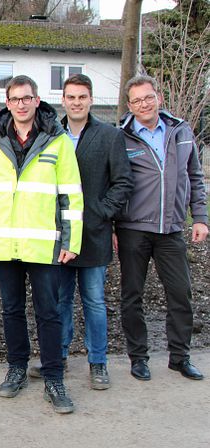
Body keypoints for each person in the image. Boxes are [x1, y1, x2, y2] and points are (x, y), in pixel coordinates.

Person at [0, 75, 83, 414]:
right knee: (12, 311)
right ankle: (16, 369)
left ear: (36, 101)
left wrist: (71, 240)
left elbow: (71, 197)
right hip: (4, 244)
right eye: (15, 98)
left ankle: (54, 379)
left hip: (43, 246)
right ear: (7, 103)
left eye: (26, 98)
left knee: (49, 313)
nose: (21, 104)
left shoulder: (57, 141)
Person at [28, 74, 134, 390]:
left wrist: (100, 213)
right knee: (60, 302)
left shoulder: (109, 136)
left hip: (93, 235)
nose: (76, 102)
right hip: (58, 234)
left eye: (82, 97)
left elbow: (123, 182)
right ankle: (57, 357)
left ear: (90, 99)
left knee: (94, 301)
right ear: (63, 100)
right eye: (71, 97)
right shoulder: (49, 135)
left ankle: (98, 363)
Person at [115, 75, 208, 381]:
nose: (144, 104)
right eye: (137, 100)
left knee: (181, 293)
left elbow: (195, 176)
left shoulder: (180, 131)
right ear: (130, 105)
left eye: (149, 97)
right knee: (132, 296)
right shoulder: (121, 136)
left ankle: (180, 357)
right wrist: (113, 226)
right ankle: (138, 357)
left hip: (170, 229)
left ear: (159, 98)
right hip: (133, 229)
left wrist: (200, 218)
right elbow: (113, 183)